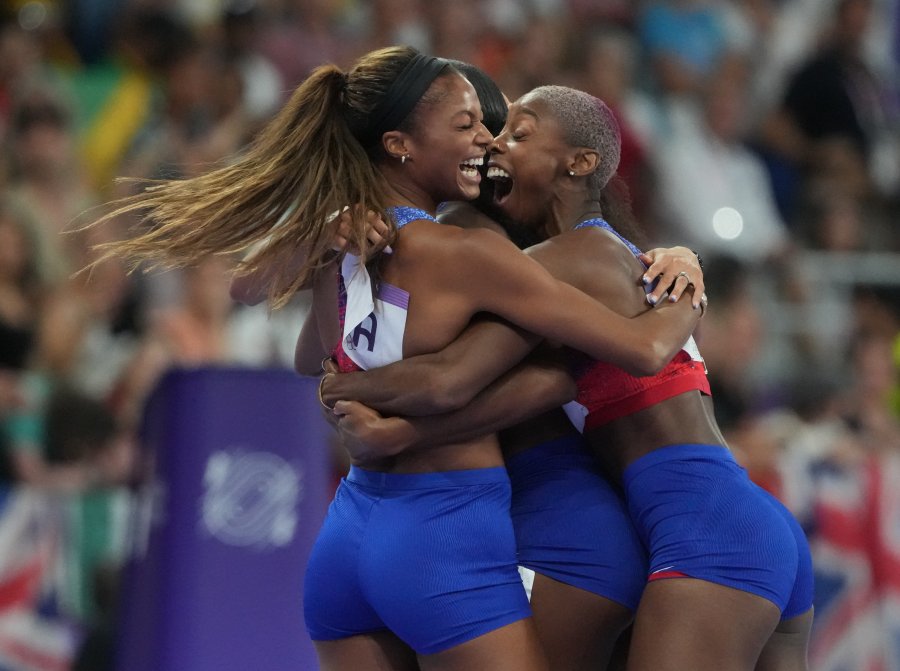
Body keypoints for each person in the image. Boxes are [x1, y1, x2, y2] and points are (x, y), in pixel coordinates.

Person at [84, 46, 703, 671]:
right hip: (446, 534)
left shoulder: (347, 242)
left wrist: (326, 258)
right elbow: (639, 350)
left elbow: (278, 320)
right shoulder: (470, 254)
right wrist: (690, 283)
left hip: (348, 537)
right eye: (469, 127)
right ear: (401, 144)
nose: (488, 144)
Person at [321, 85, 815, 671]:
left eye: (520, 135)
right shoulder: (618, 256)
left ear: (580, 163)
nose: (497, 147)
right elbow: (528, 386)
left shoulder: (565, 261)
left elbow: (449, 376)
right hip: (736, 521)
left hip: (707, 536)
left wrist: (344, 385)